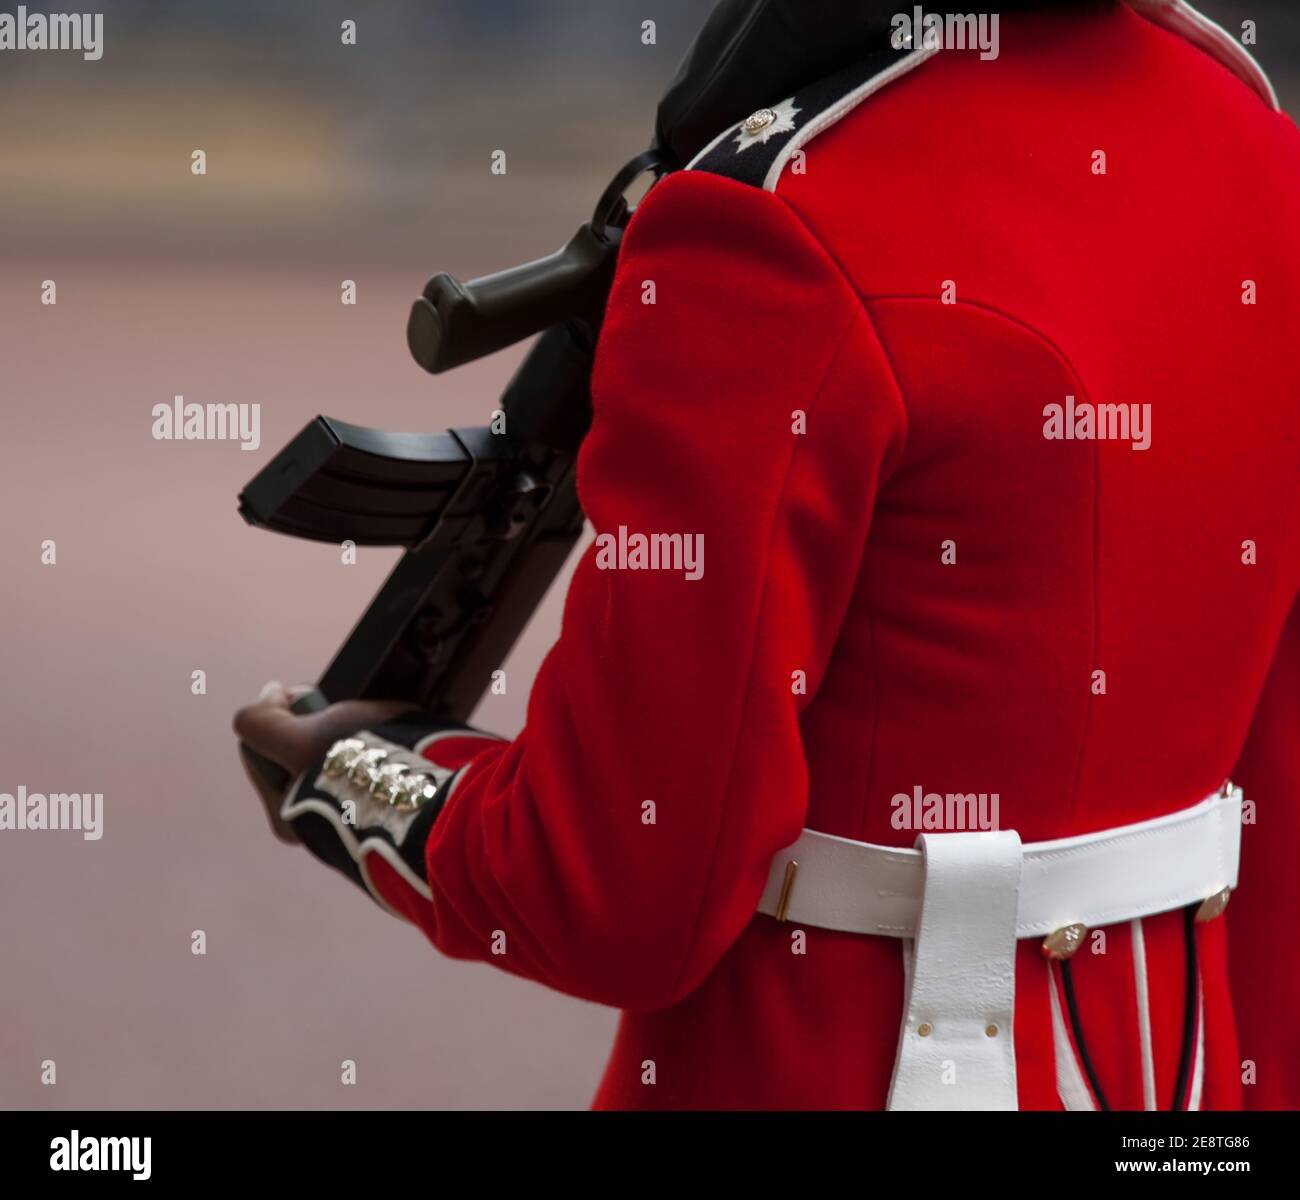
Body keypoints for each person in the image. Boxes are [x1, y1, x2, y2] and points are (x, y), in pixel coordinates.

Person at [235, 0, 1300, 1110]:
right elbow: (1276, 786)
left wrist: (357, 778)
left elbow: (611, 889)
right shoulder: (1251, 137)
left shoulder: (777, 225)